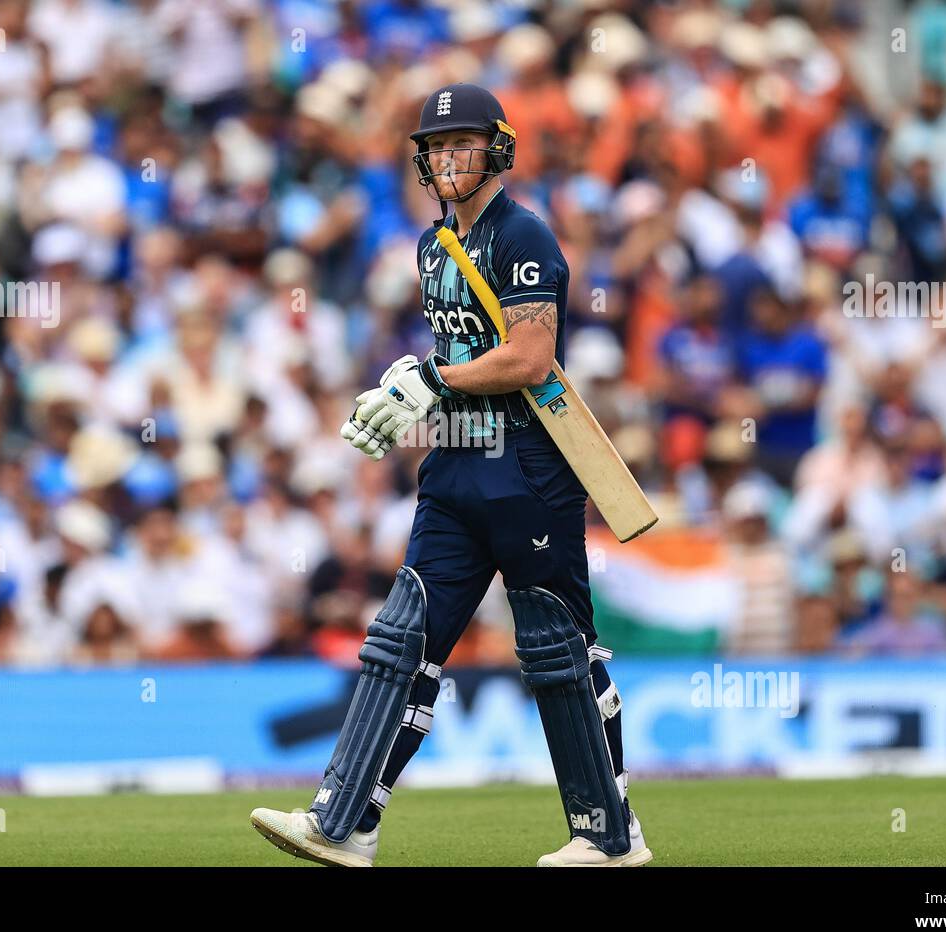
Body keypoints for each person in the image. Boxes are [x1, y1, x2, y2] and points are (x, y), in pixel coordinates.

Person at [249, 83, 652, 867]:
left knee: (558, 650)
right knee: (400, 640)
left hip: (528, 467)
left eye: (460, 143)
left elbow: (529, 359)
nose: (445, 159)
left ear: (497, 149)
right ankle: (344, 823)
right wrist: (409, 393)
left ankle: (607, 834)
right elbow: (460, 360)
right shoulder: (432, 245)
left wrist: (430, 378)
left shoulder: (524, 235)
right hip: (454, 463)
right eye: (434, 147)